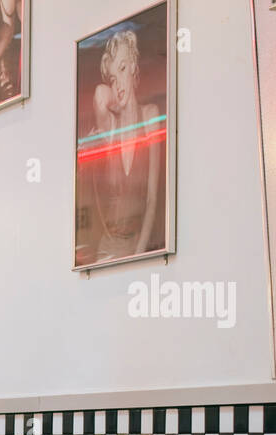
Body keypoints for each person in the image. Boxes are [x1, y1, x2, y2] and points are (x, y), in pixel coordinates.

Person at [86, 29, 164, 263]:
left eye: (122, 69)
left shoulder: (150, 115)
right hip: (108, 247)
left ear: (133, 66)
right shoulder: (111, 126)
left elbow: (152, 199)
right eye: (112, 78)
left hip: (141, 243)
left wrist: (139, 254)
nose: (118, 84)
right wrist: (120, 109)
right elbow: (100, 95)